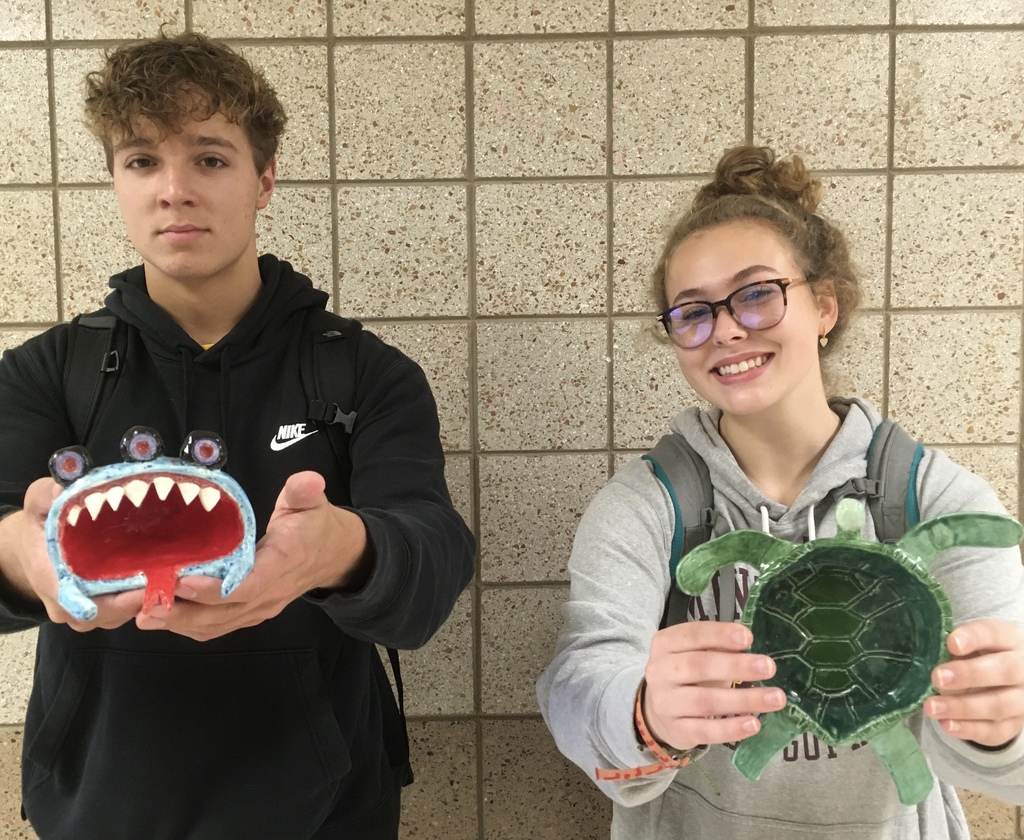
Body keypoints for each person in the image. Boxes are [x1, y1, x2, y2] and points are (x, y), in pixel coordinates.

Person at [0, 32, 475, 840]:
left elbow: (432, 567)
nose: (174, 190)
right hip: (100, 808)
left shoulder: (365, 374)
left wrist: (338, 552)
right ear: (115, 181)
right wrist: (22, 554)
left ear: (264, 179)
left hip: (327, 811)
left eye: (211, 160)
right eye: (142, 160)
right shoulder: (46, 373)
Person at [536, 146, 1024, 839]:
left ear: (824, 304)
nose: (727, 328)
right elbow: (578, 684)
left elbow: (1000, 765)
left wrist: (998, 721)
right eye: (691, 312)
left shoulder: (937, 500)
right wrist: (641, 711)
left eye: (758, 293)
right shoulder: (646, 506)